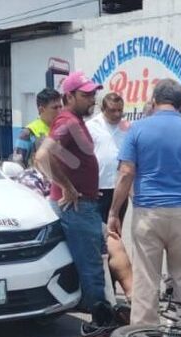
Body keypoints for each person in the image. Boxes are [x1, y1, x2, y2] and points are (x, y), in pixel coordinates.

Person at [108, 79, 181, 326]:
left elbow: (126, 173)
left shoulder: (137, 130)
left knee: (146, 278)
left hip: (148, 214)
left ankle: (144, 335)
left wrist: (114, 212)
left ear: (153, 102)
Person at [35, 71, 106, 311]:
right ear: (70, 96)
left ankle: (92, 309)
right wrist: (68, 188)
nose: (92, 99)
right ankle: (100, 317)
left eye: (93, 93)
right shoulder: (67, 121)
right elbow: (43, 155)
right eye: (86, 95)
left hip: (81, 203)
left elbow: (58, 156)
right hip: (76, 207)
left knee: (86, 263)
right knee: (92, 265)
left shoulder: (73, 121)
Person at [87, 92, 130, 224]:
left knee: (116, 230)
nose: (117, 114)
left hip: (120, 188)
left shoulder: (127, 127)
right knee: (98, 232)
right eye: (112, 110)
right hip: (98, 189)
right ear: (103, 109)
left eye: (120, 110)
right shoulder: (91, 126)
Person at [15, 88, 62, 168]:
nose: (60, 111)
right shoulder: (29, 133)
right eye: (55, 108)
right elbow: (18, 164)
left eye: (60, 107)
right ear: (41, 109)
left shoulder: (63, 130)